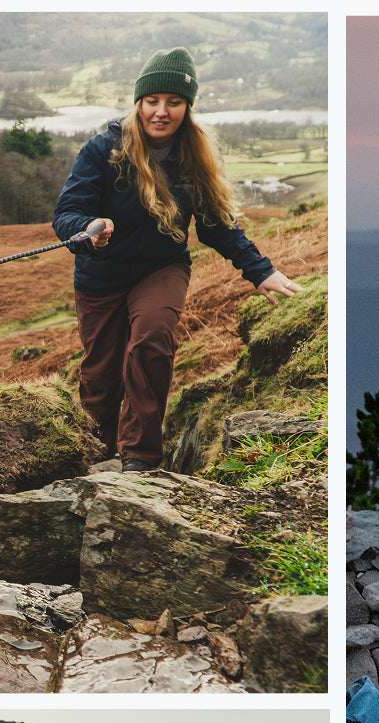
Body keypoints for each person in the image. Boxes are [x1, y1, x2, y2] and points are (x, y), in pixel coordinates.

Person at [54, 46, 301, 473]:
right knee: (100, 375)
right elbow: (66, 213)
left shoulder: (194, 154)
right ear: (139, 102)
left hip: (161, 268)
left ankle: (139, 459)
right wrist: (88, 228)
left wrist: (261, 271)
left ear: (187, 107)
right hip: (100, 273)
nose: (161, 112)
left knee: (151, 340)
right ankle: (95, 455)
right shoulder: (103, 150)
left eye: (174, 102)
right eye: (152, 101)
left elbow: (216, 225)